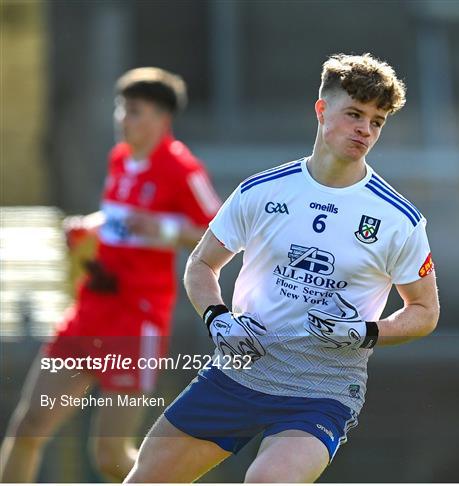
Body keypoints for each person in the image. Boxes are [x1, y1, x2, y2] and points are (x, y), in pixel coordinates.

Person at [125, 53, 440, 483]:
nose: (365, 130)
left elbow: (424, 312)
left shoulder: (398, 219)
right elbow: (201, 264)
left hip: (321, 388)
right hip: (238, 370)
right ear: (322, 109)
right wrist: (218, 320)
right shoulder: (262, 190)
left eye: (377, 121)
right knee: (143, 480)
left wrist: (367, 332)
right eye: (354, 114)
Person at [0, 67, 221, 482]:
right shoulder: (120, 158)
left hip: (134, 321)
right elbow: (123, 217)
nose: (123, 118)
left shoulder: (181, 169)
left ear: (161, 117)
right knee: (29, 426)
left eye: (134, 111)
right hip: (89, 311)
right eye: (121, 108)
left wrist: (168, 230)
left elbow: (220, 233)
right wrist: (89, 225)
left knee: (109, 456)